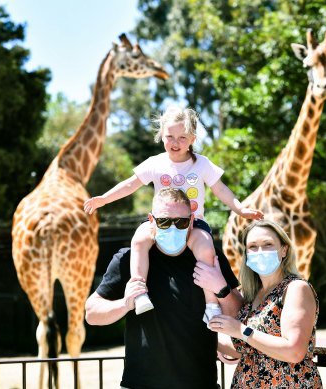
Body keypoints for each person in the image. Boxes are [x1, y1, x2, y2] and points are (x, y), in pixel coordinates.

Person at [84, 105, 263, 322]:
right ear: (161, 136)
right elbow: (130, 185)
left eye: (182, 137)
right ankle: (139, 292)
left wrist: (239, 208)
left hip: (193, 223)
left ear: (193, 139)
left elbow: (221, 190)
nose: (175, 143)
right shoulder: (156, 163)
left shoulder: (202, 164)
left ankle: (211, 306)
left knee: (206, 247)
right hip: (161, 222)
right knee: (139, 239)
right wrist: (104, 199)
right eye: (170, 136)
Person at [85, 188, 243, 389]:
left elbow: (240, 314)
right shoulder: (128, 259)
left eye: (181, 222)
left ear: (192, 221)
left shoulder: (210, 258)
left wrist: (221, 289)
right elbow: (92, 313)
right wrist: (125, 305)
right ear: (151, 220)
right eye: (164, 221)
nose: (173, 228)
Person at [207, 220, 322, 388]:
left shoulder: (296, 288)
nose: (260, 251)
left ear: (284, 250)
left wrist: (240, 330)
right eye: (253, 246)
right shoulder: (251, 294)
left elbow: (294, 351)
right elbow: (246, 349)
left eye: (268, 244)